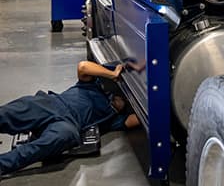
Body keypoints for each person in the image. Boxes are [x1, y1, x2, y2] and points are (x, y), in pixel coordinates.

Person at [0, 60, 140, 176]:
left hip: (67, 124)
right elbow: (83, 66)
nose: (123, 98)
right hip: (51, 104)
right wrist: (113, 74)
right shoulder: (92, 86)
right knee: (10, 112)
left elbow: (139, 119)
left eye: (126, 102)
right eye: (121, 95)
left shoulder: (113, 120)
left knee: (64, 136)